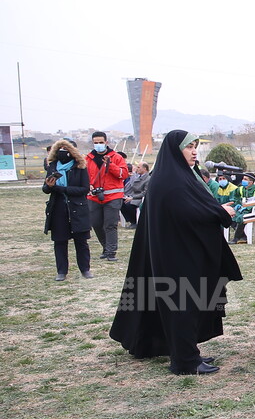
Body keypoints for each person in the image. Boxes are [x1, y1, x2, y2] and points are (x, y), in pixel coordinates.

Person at [109, 130, 243, 375]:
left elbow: (197, 206)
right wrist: (221, 213)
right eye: (188, 147)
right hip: (177, 256)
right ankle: (185, 361)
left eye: (195, 146)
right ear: (174, 150)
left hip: (183, 251)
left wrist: (217, 210)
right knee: (182, 306)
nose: (194, 151)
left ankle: (186, 350)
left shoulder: (181, 176)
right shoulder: (170, 180)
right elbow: (189, 213)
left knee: (190, 305)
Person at [43, 139, 92, 281]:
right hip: (58, 208)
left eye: (66, 148)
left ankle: (85, 269)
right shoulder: (52, 166)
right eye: (60, 148)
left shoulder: (80, 167)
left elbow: (84, 189)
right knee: (60, 241)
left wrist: (61, 189)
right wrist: (49, 186)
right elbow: (45, 189)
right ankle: (61, 271)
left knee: (81, 241)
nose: (63, 152)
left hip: (77, 208)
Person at [85, 130, 128, 261]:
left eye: (101, 142)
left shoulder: (116, 157)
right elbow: (84, 175)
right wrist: (88, 185)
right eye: (95, 143)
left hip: (113, 196)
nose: (98, 145)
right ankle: (105, 247)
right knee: (96, 224)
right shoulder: (88, 158)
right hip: (94, 196)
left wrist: (111, 165)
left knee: (110, 224)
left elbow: (124, 174)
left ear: (106, 142)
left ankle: (111, 252)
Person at [122, 162, 151, 228]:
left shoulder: (148, 179)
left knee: (129, 204)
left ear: (144, 168)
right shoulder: (137, 177)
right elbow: (133, 188)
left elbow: (145, 192)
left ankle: (134, 221)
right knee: (121, 203)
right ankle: (130, 220)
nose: (136, 169)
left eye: (138, 167)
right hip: (133, 196)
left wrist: (132, 197)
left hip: (141, 198)